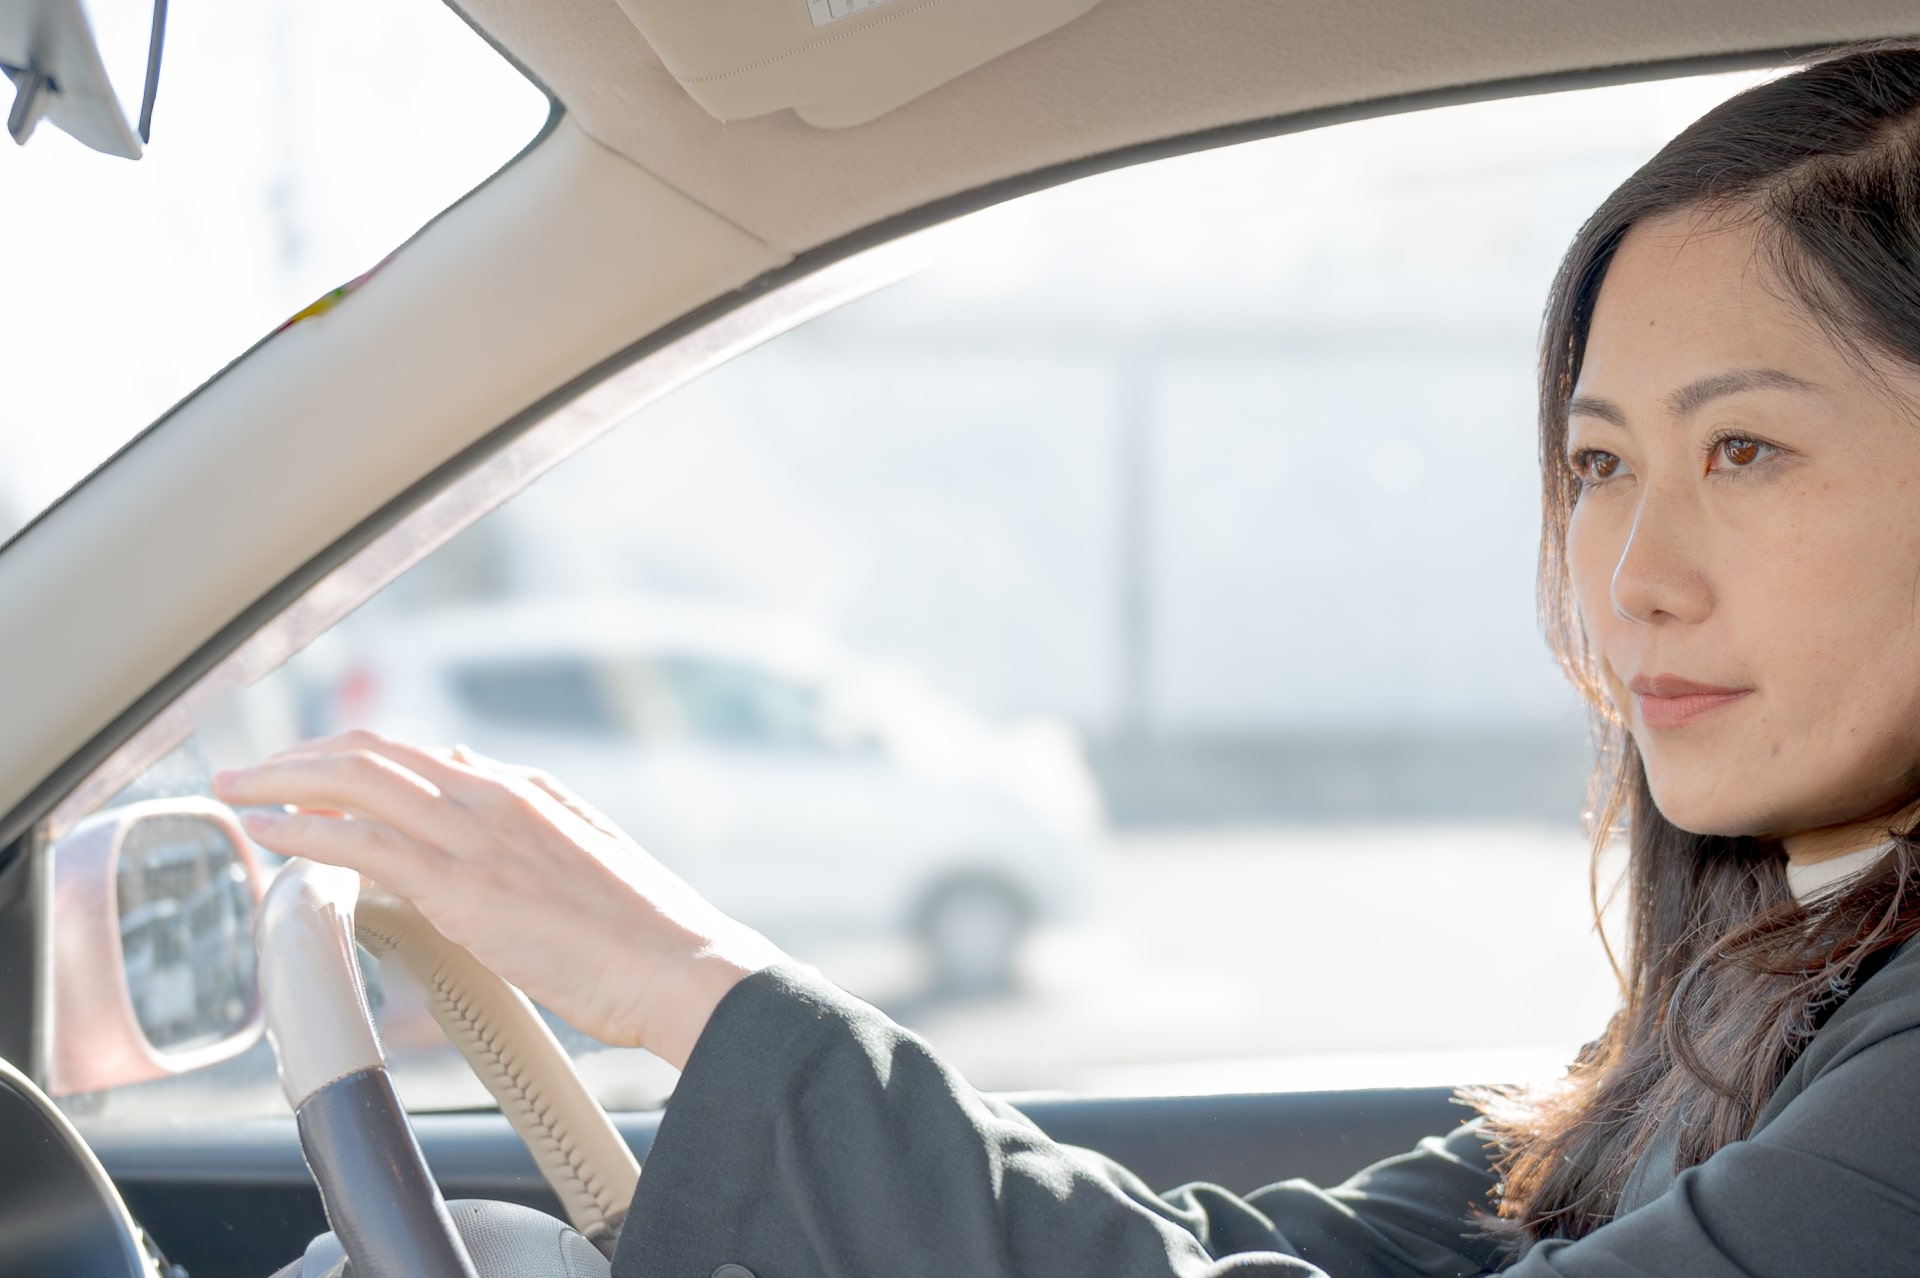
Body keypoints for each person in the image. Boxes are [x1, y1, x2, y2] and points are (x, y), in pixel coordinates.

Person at [214, 42, 1920, 1276]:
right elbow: (1238, 1254)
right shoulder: (1754, 984)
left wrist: (691, 986)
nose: (1629, 576)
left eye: (1745, 451)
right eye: (1601, 461)